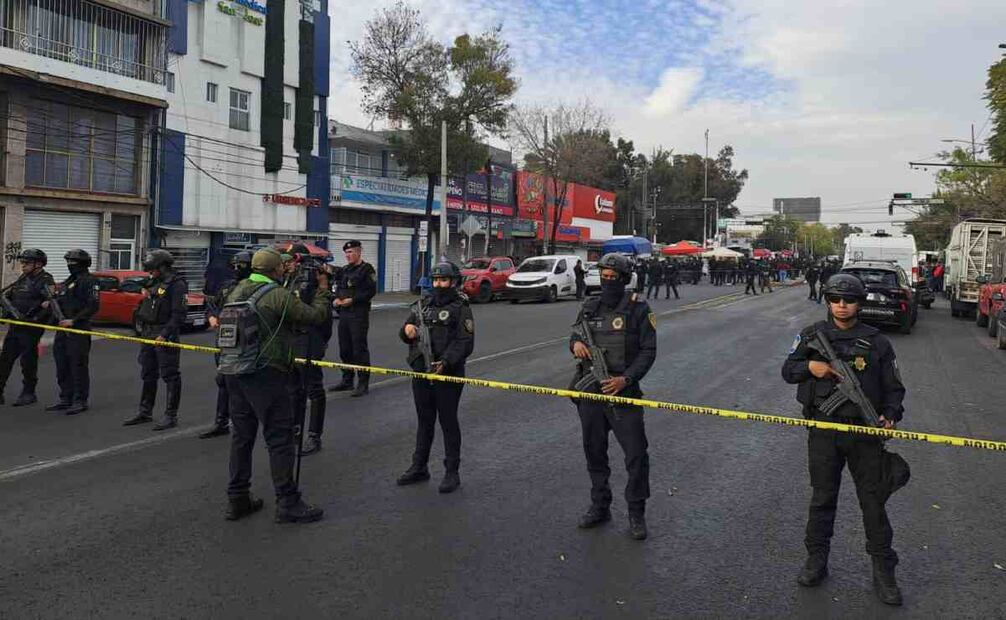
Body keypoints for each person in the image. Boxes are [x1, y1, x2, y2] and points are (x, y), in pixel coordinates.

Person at [782, 273, 906, 606]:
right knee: (823, 498)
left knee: (873, 502)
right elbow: (787, 370)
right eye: (835, 299)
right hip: (824, 430)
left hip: (863, 435)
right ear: (827, 301)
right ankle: (816, 560)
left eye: (848, 300)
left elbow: (894, 389)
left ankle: (883, 570)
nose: (841, 306)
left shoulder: (878, 342)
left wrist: (890, 415)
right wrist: (812, 367)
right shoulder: (812, 336)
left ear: (859, 303)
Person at [217, 248, 333, 524]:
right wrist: (323, 289)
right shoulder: (276, 295)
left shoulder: (237, 291)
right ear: (275, 271)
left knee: (241, 437)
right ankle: (288, 502)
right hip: (265, 373)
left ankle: (238, 498)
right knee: (279, 438)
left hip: (234, 371)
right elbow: (315, 316)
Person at [570, 253, 657, 540]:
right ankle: (600, 505)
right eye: (604, 277)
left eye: (613, 278)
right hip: (592, 393)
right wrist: (577, 345)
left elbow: (648, 351)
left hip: (624, 392)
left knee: (635, 455)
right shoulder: (590, 305)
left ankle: (636, 511)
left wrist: (626, 379)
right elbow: (574, 335)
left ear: (624, 280)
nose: (608, 282)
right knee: (594, 450)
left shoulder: (638, 308)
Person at [396, 261, 475, 493]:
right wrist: (406, 331)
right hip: (422, 371)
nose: (439, 284)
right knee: (424, 420)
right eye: (436, 280)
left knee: (448, 422)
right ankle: (419, 466)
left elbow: (465, 341)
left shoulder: (461, 307)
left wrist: (447, 361)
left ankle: (452, 471)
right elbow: (405, 332)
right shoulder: (422, 305)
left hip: (448, 374)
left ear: (453, 282)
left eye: (443, 280)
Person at [122, 250, 187, 431]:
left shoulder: (177, 285)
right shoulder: (154, 282)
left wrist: (165, 334)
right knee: (148, 373)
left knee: (170, 375)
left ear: (162, 267)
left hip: (165, 334)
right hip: (148, 333)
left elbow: (179, 315)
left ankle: (170, 415)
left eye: (152, 269)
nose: (150, 273)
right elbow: (135, 286)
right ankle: (145, 411)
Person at [281, 244, 333, 456]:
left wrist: (320, 342)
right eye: (285, 261)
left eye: (291, 260)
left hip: (309, 340)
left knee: (313, 389)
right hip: (291, 340)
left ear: (299, 259)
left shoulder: (312, 280)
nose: (287, 264)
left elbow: (323, 314)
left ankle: (313, 435)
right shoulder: (287, 279)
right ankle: (294, 431)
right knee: (293, 390)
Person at [201, 251, 253, 438]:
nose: (238, 269)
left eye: (242, 265)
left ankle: (245, 421)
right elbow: (211, 305)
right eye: (235, 265)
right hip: (226, 342)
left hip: (248, 343)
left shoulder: (257, 287)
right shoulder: (227, 287)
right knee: (223, 380)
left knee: (247, 383)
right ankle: (221, 421)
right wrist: (212, 317)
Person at [0, 249, 57, 406]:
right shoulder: (23, 278)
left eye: (26, 263)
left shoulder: (45, 280)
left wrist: (35, 319)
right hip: (16, 325)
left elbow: (50, 304)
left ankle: (28, 392)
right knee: (5, 359)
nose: (23, 265)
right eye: (22, 262)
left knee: (28, 360)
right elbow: (10, 295)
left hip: (31, 327)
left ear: (38, 264)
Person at [46, 249, 99, 415]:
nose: (69, 265)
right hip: (62, 328)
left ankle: (80, 400)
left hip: (78, 329)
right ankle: (65, 398)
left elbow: (93, 305)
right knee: (62, 365)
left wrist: (74, 320)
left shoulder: (90, 281)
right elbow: (60, 300)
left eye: (73, 262)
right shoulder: (69, 281)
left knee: (78, 366)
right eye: (68, 262)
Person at [328, 240, 377, 397]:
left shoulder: (366, 269)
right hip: (344, 313)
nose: (348, 255)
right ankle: (347, 380)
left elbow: (370, 291)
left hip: (358, 314)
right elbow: (336, 287)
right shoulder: (344, 270)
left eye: (351, 252)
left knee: (359, 349)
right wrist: (335, 299)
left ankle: (363, 383)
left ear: (359, 252)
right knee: (345, 349)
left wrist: (353, 300)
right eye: (346, 253)